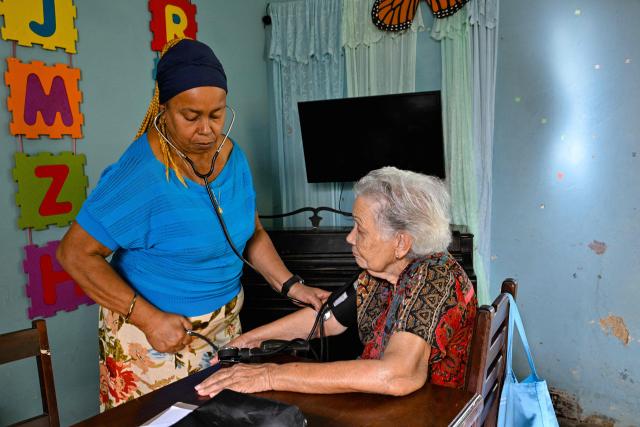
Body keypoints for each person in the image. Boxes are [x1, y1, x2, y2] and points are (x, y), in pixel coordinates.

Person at [56, 38, 329, 411]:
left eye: (216, 115)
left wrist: (290, 284)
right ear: (164, 109)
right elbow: (74, 253)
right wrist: (149, 319)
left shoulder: (233, 158)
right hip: (155, 338)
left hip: (224, 328)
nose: (207, 130)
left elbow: (251, 235)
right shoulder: (139, 174)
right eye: (191, 116)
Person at [195, 167, 478, 397]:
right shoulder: (382, 272)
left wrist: (270, 375)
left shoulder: (434, 277)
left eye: (360, 229)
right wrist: (250, 340)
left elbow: (397, 374)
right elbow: (329, 317)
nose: (350, 238)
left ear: (401, 242)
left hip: (431, 411)